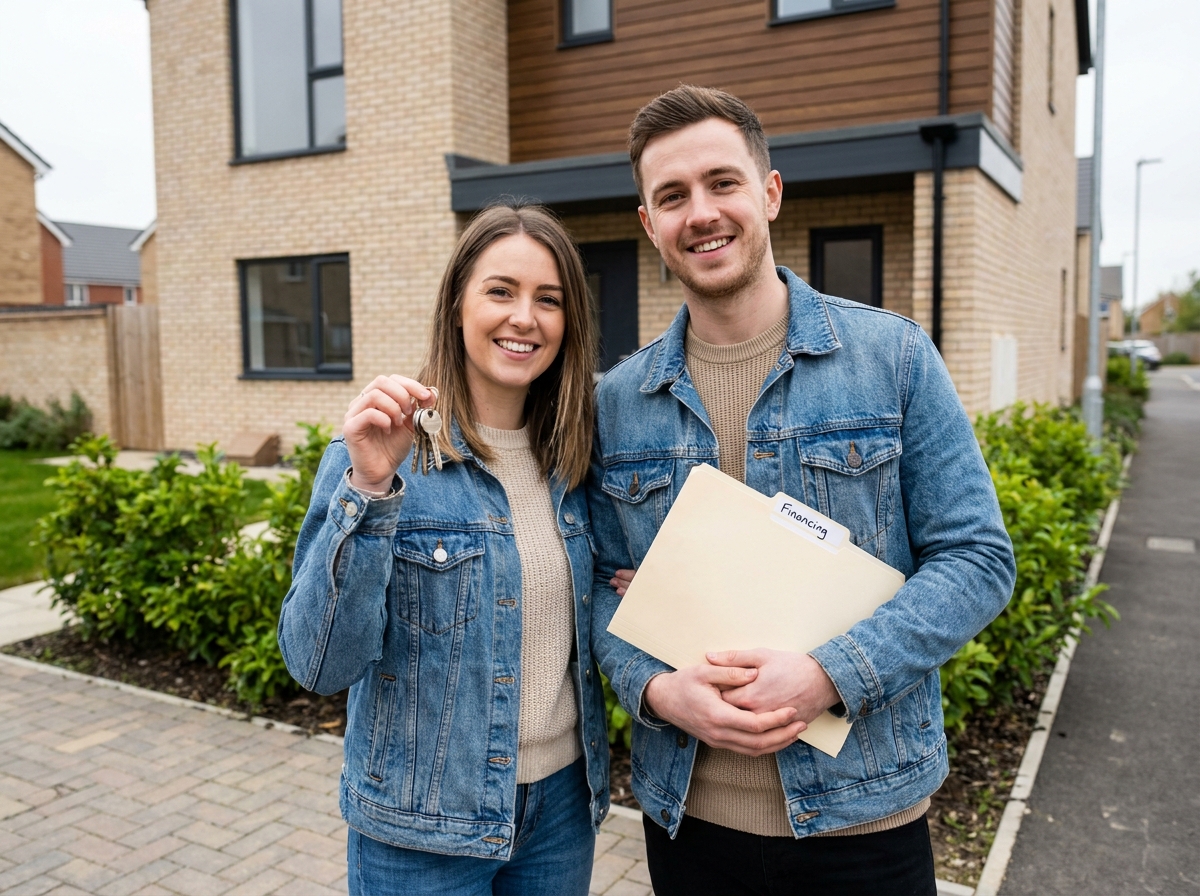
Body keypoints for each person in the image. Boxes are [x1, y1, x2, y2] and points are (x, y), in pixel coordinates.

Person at [590, 86, 1017, 896]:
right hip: (688, 825)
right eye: (672, 196)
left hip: (865, 823)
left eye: (722, 182)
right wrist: (657, 689)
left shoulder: (892, 357)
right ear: (649, 223)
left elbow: (977, 560)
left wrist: (830, 674)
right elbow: (597, 583)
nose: (701, 213)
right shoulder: (617, 403)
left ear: (770, 193)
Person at [278, 203, 613, 896]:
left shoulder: (577, 458)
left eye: (549, 300)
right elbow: (319, 663)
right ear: (457, 304)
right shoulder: (379, 453)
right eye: (501, 291)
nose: (525, 317)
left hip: (560, 814)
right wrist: (370, 489)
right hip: (421, 828)